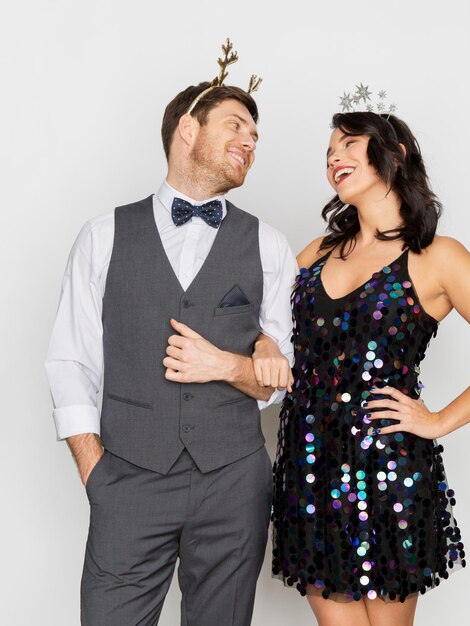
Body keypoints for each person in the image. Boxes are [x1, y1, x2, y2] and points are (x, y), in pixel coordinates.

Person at [252, 110, 470, 626]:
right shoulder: (315, 253)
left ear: (395, 152)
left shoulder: (437, 256)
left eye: (348, 144)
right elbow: (265, 327)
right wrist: (263, 345)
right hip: (308, 466)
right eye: (328, 154)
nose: (334, 158)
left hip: (388, 471)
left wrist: (437, 421)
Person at [45, 63, 296, 625]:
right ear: (188, 129)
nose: (249, 144)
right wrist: (97, 473)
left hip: (234, 483)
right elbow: (69, 360)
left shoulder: (271, 246)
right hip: (129, 479)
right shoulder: (102, 235)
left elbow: (279, 377)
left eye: (255, 137)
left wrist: (230, 362)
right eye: (235, 126)